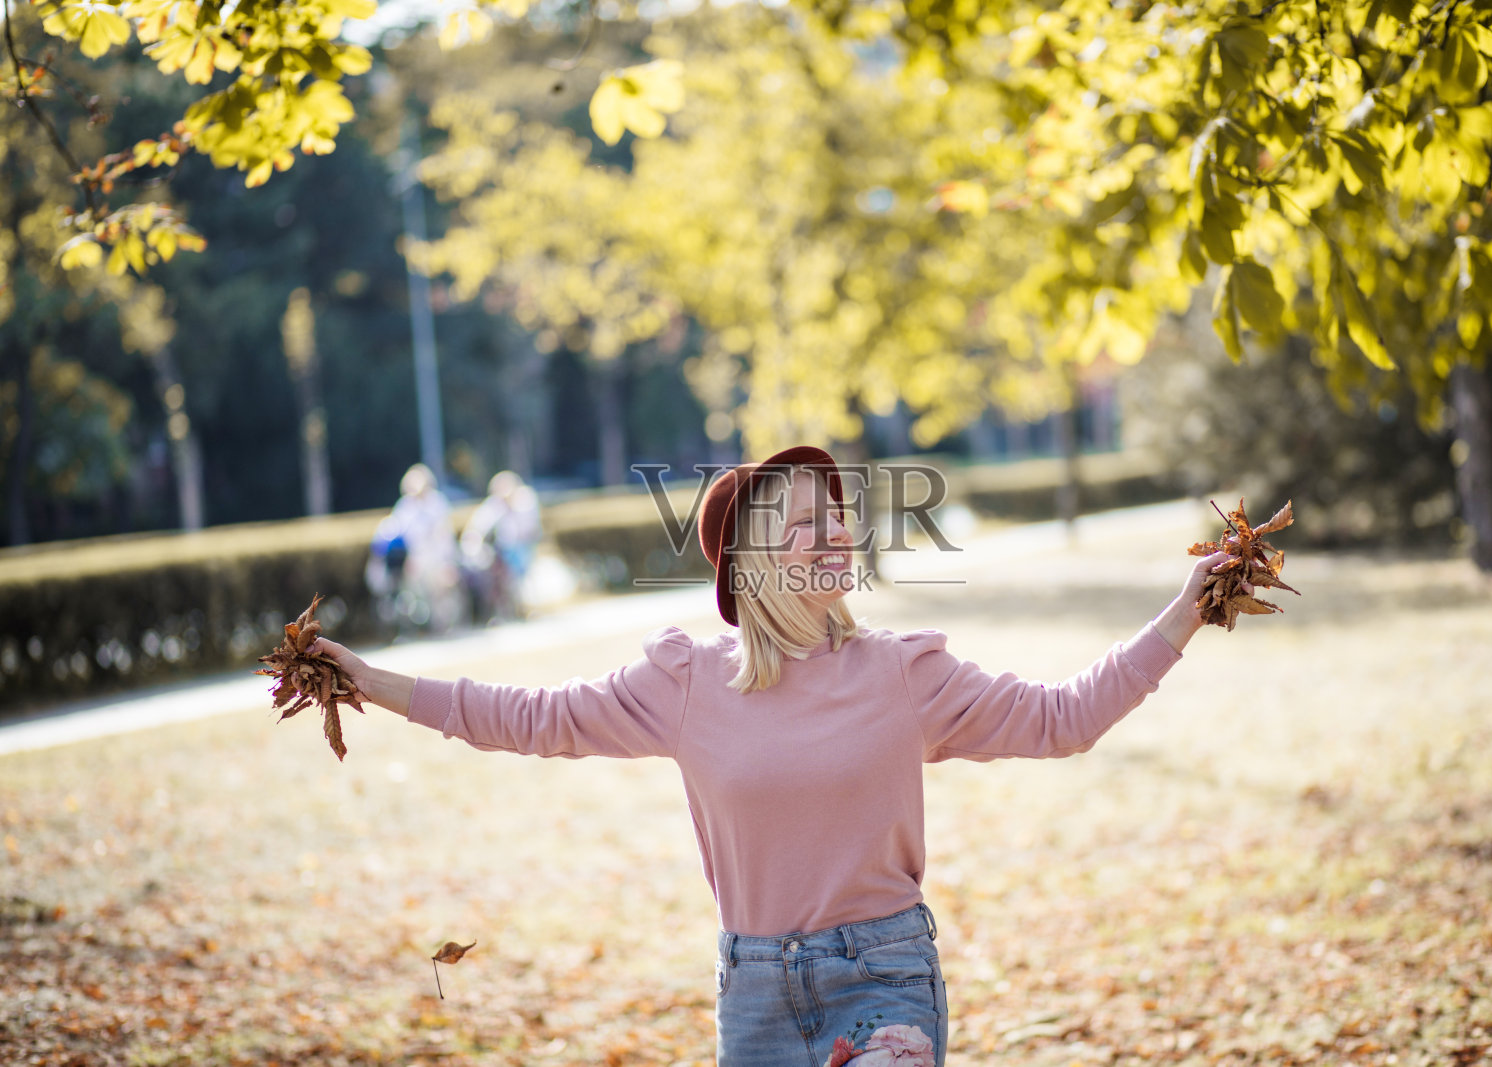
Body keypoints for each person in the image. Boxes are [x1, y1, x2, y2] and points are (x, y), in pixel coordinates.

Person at [314, 445, 1242, 1067]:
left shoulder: (904, 672)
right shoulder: (684, 681)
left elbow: (1063, 717)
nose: (838, 530)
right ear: (751, 563)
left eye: (838, 515)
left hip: (885, 982)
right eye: (807, 522)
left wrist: (1188, 609)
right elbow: (526, 715)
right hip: (752, 996)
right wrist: (371, 681)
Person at [364, 463, 465, 634]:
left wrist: (447, 562)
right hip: (414, 561)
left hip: (437, 560)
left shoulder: (437, 504)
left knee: (440, 594)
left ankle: (443, 627)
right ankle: (417, 628)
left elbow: (444, 537)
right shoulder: (404, 507)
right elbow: (399, 536)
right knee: (410, 596)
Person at [460, 470, 543, 621]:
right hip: (500, 552)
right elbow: (476, 531)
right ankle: (500, 613)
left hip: (521, 548)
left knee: (524, 579)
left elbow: (531, 528)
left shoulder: (525, 501)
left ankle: (526, 609)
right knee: (496, 581)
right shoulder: (492, 507)